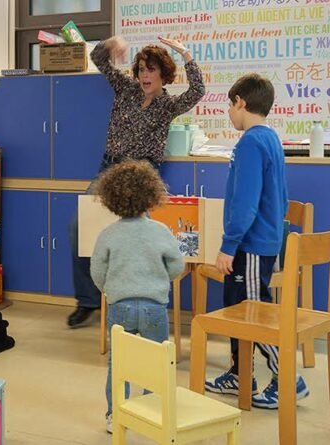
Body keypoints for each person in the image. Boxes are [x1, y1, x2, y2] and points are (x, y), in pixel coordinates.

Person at [67, 36, 206, 328]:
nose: (144, 75)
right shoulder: (125, 88)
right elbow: (98, 59)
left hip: (144, 174)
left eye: (151, 70)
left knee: (137, 235)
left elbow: (198, 90)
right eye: (141, 69)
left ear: (163, 74)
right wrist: (110, 43)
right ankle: (89, 301)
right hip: (110, 170)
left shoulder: (168, 104)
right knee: (78, 226)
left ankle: (143, 301)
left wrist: (185, 53)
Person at [203, 73, 309, 409]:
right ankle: (240, 373)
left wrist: (228, 245)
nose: (229, 115)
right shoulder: (269, 138)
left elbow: (245, 202)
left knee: (254, 316)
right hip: (260, 242)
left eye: (229, 108)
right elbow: (279, 194)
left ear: (240, 102)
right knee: (238, 311)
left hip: (249, 247)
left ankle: (289, 379)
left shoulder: (249, 142)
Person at [89, 160, 184, 433]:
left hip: (120, 307)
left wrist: (109, 290)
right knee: (156, 362)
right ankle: (150, 411)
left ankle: (114, 415)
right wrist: (160, 278)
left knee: (119, 364)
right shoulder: (161, 232)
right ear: (151, 196)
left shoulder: (108, 234)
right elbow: (176, 266)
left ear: (112, 199)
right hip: (154, 307)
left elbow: (97, 271)